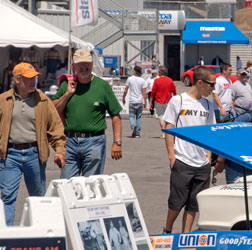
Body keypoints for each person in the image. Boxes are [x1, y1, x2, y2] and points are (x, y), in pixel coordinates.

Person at [0, 62, 66, 225]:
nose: (33, 81)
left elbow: (56, 127)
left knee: (38, 197)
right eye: (29, 79)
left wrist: (59, 151)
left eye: (34, 78)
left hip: (34, 154)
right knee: (7, 197)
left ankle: (41, 233)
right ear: (17, 79)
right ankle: (5, 236)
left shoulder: (43, 100)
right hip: (10, 156)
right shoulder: (3, 100)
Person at [52, 49, 123, 179]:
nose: (84, 67)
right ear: (74, 66)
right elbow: (54, 111)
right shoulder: (66, 84)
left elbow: (116, 116)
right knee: (68, 184)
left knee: (91, 185)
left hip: (94, 142)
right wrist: (67, 94)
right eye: (80, 64)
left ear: (92, 65)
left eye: (87, 64)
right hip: (69, 142)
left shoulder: (102, 86)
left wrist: (117, 142)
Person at [162, 66, 216, 233]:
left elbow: (209, 133)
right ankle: (168, 229)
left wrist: (208, 157)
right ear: (200, 82)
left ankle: (185, 236)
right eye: (211, 85)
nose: (213, 89)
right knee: (177, 202)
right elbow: (169, 128)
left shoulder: (208, 104)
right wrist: (172, 156)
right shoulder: (178, 100)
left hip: (202, 164)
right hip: (182, 160)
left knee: (194, 203)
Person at [150, 66, 177, 138]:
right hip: (168, 101)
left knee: (161, 118)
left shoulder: (156, 81)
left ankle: (164, 133)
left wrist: (150, 102)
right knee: (168, 118)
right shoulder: (170, 80)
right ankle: (168, 132)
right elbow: (174, 91)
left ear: (160, 72)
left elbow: (153, 92)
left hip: (158, 101)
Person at [123, 65, 147, 138]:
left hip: (132, 100)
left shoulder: (130, 79)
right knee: (139, 117)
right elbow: (144, 93)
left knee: (131, 116)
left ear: (135, 71)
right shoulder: (143, 80)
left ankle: (133, 124)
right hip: (139, 101)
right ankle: (137, 133)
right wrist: (145, 102)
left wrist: (123, 98)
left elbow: (126, 90)